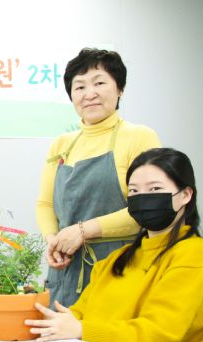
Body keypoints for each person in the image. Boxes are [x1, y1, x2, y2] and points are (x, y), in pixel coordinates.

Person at [27, 148, 203, 342]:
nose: (142, 198)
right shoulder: (116, 259)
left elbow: (158, 335)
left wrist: (81, 330)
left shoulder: (194, 256)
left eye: (155, 189)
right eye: (134, 191)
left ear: (186, 195)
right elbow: (77, 314)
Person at [36, 48, 161, 306]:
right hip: (66, 269)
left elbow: (147, 210)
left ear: (120, 89)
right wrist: (54, 241)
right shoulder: (62, 143)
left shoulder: (140, 137)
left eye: (99, 83)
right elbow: (45, 204)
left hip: (119, 266)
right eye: (79, 86)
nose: (89, 93)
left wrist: (82, 231)